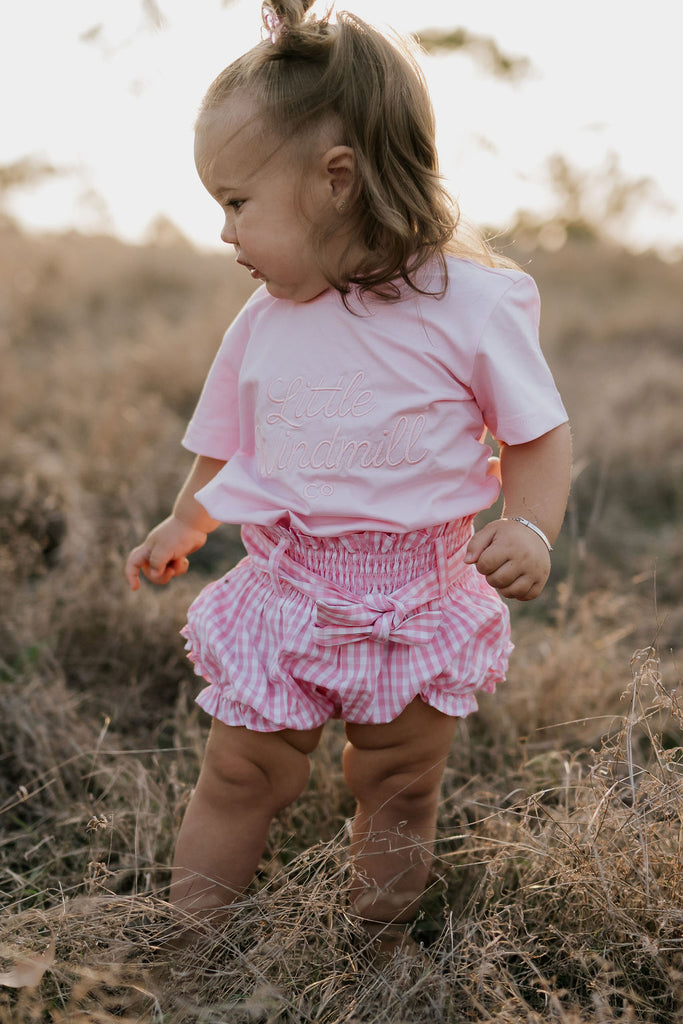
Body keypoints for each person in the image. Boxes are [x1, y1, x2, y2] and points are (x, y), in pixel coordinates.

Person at [125, 0, 571, 954]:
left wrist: (530, 527)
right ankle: (189, 947)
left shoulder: (471, 305)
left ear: (335, 181)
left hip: (417, 599)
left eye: (236, 203)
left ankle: (375, 951)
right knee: (242, 776)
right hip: (287, 596)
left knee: (398, 784)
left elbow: (537, 433)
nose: (224, 232)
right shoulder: (263, 320)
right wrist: (184, 523)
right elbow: (227, 439)